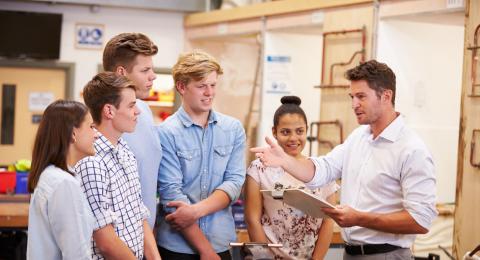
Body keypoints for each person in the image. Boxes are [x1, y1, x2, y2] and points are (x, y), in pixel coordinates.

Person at [251, 60, 438, 260]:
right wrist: (285, 161)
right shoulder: (358, 137)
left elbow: (421, 220)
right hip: (350, 254)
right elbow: (322, 170)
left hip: (387, 255)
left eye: (361, 97)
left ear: (386, 96)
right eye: (352, 97)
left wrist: (360, 218)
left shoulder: (411, 149)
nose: (354, 104)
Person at [156, 50, 246, 260]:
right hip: (176, 248)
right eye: (201, 86)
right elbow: (171, 195)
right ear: (181, 86)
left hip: (220, 243)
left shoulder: (233, 129)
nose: (209, 93)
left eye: (213, 85)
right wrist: (206, 251)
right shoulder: (165, 133)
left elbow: (234, 183)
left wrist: (195, 211)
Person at [76, 72, 160, 260]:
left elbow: (139, 214)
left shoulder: (125, 150)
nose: (137, 111)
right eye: (131, 105)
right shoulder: (92, 162)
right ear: (109, 111)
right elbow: (105, 242)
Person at [245, 96, 338, 260]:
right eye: (285, 132)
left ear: (307, 130)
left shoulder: (321, 170)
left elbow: (328, 221)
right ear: (274, 132)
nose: (293, 138)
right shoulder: (259, 168)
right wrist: (263, 258)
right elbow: (252, 219)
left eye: (299, 131)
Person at [103, 33, 161, 229]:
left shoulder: (144, 110)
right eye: (145, 70)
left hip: (145, 235)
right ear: (121, 72)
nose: (153, 76)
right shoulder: (101, 120)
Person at [27, 100, 97, 260]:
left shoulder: (51, 175)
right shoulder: (63, 183)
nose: (96, 134)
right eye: (91, 127)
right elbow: (76, 254)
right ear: (73, 133)